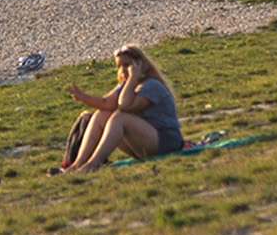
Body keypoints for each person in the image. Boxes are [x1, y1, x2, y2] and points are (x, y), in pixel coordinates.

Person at [62, 44, 185, 172]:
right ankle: (78, 164)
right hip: (144, 144)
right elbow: (105, 103)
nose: (122, 70)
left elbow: (125, 106)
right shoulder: (127, 86)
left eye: (127, 65)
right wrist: (83, 97)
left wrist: (132, 79)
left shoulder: (151, 85)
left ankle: (93, 163)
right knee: (102, 113)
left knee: (120, 118)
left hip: (167, 143)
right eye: (119, 66)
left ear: (139, 64)